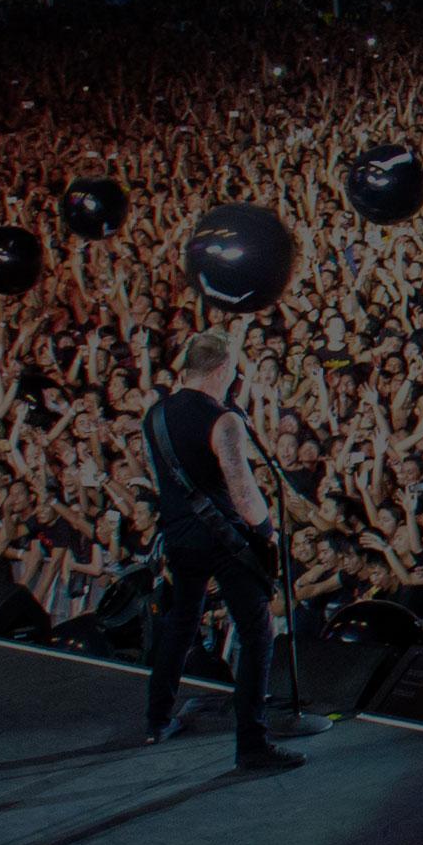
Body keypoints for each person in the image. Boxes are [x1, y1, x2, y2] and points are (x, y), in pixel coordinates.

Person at [138, 330, 303, 771]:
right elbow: (242, 488)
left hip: (179, 537)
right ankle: (252, 743)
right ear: (221, 370)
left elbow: (164, 480)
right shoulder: (223, 420)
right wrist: (266, 530)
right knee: (257, 633)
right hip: (224, 540)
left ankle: (157, 718)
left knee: (182, 621)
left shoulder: (154, 415)